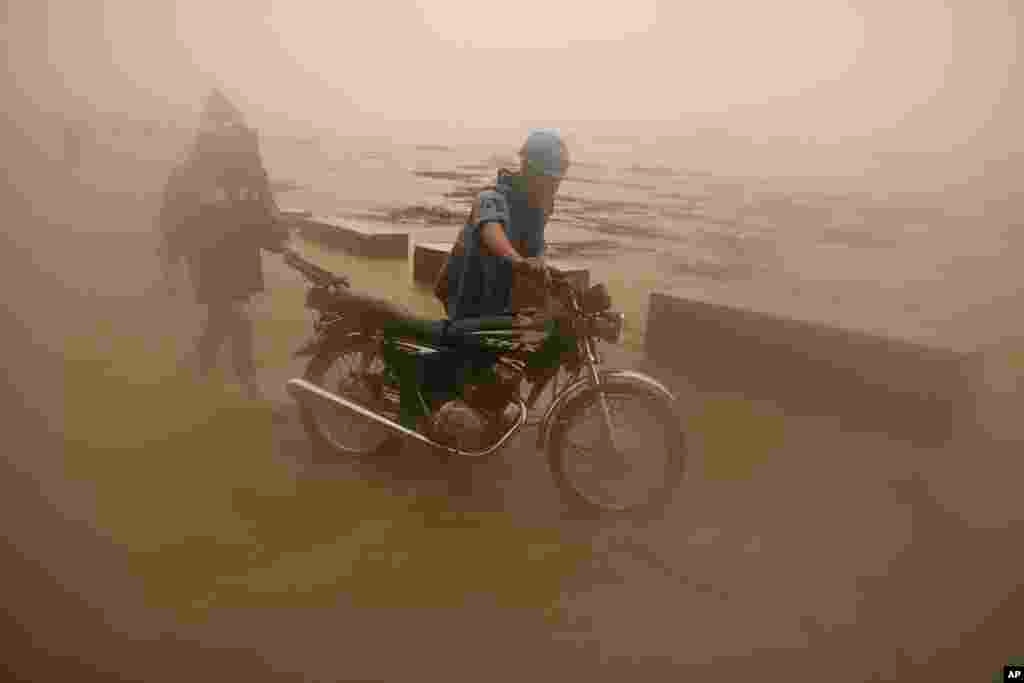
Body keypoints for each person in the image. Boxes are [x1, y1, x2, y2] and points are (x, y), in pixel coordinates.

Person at [157, 89, 288, 401]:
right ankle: (248, 383)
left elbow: (263, 202)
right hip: (208, 253)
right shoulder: (193, 166)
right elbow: (174, 211)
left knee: (223, 317)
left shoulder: (246, 161)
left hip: (239, 250)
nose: (224, 131)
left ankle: (200, 368)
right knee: (236, 315)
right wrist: (170, 256)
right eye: (219, 124)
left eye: (228, 124)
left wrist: (276, 234)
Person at [436, 128, 570, 320]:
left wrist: (541, 262)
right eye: (548, 180)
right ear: (529, 171)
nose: (554, 187)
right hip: (464, 287)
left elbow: (537, 243)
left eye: (557, 181)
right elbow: (491, 231)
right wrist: (518, 261)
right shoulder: (491, 197)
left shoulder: (539, 208)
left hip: (500, 288)